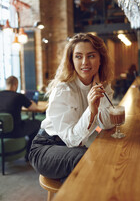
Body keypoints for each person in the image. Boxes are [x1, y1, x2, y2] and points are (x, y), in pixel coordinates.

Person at [29, 33, 114, 182]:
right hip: (46, 148)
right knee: (85, 159)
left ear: (100, 59)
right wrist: (91, 110)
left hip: (75, 148)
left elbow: (106, 124)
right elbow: (72, 140)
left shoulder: (104, 86)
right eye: (78, 56)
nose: (85, 62)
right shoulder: (64, 89)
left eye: (91, 56)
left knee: (103, 156)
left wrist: (99, 96)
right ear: (72, 60)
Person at [0, 76, 41, 160]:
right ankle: (29, 154)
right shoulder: (19, 96)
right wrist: (32, 102)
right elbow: (33, 108)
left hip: (1, 131)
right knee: (37, 123)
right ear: (16, 85)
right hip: (15, 131)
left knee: (26, 122)